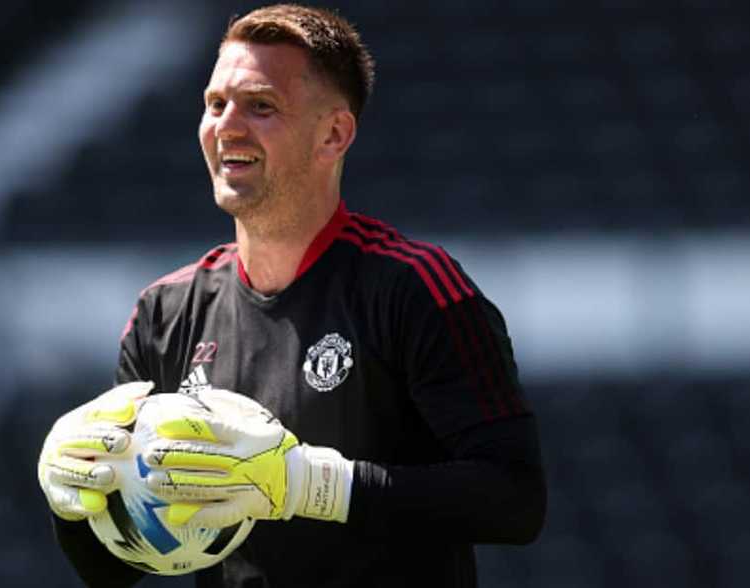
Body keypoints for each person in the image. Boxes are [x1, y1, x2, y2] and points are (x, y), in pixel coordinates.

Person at [38, 4, 546, 586]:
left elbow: (514, 498)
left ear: (333, 134)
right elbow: (111, 569)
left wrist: (310, 484)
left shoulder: (416, 286)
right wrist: (73, 495)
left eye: (260, 106)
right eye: (214, 104)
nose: (227, 125)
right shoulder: (165, 310)